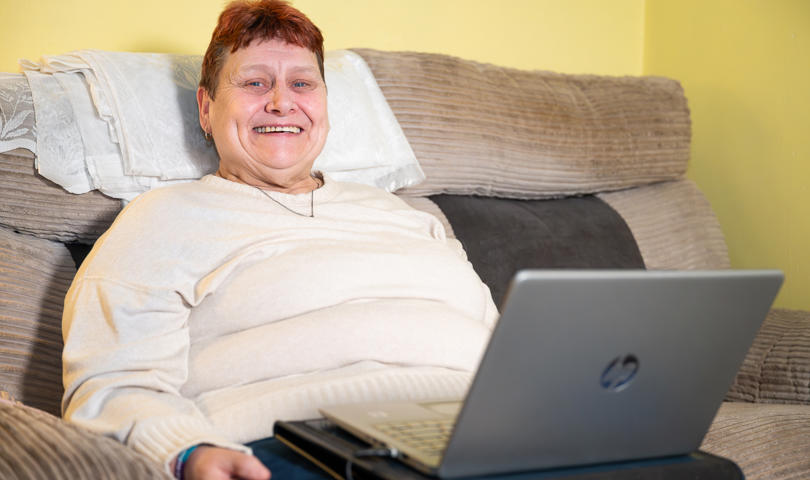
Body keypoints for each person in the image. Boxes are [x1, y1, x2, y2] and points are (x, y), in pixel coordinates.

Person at [60, 1, 498, 479]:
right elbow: (111, 382)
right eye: (254, 83)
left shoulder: (408, 216)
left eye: (302, 83)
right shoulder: (163, 217)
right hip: (306, 444)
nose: (281, 102)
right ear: (206, 109)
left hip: (486, 429)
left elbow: (508, 348)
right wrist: (188, 451)